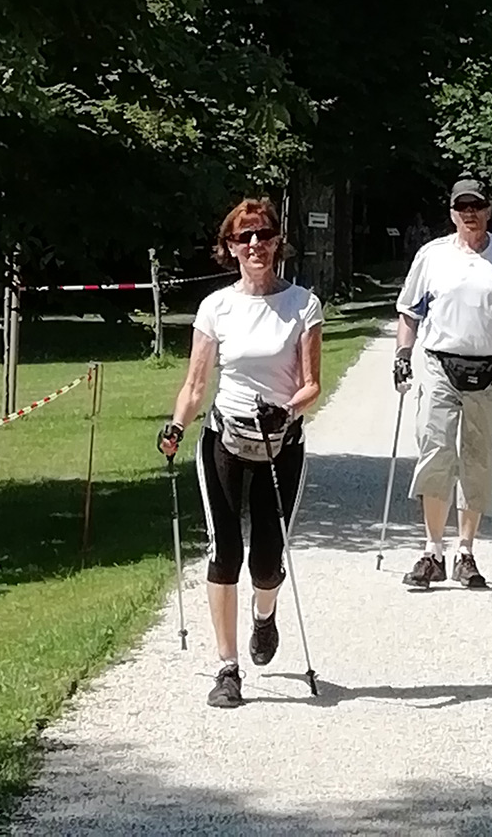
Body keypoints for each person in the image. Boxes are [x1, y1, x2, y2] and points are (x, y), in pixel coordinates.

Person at [157, 197, 323, 708]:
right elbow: (195, 384)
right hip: (224, 439)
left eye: (264, 235)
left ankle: (264, 615)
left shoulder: (303, 304)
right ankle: (227, 669)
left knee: (267, 561)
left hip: (280, 443)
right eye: (243, 237)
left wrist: (286, 411)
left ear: (277, 243)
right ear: (229, 247)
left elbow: (312, 385)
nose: (255, 245)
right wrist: (176, 424)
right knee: (224, 552)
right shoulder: (216, 307)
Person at [393, 178, 492, 590]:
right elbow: (409, 312)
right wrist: (403, 355)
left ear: (489, 210)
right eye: (462, 207)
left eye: (476, 206)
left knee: (478, 460)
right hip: (441, 365)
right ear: (452, 213)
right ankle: (432, 551)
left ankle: (466, 552)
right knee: (436, 452)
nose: (470, 214)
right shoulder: (432, 256)